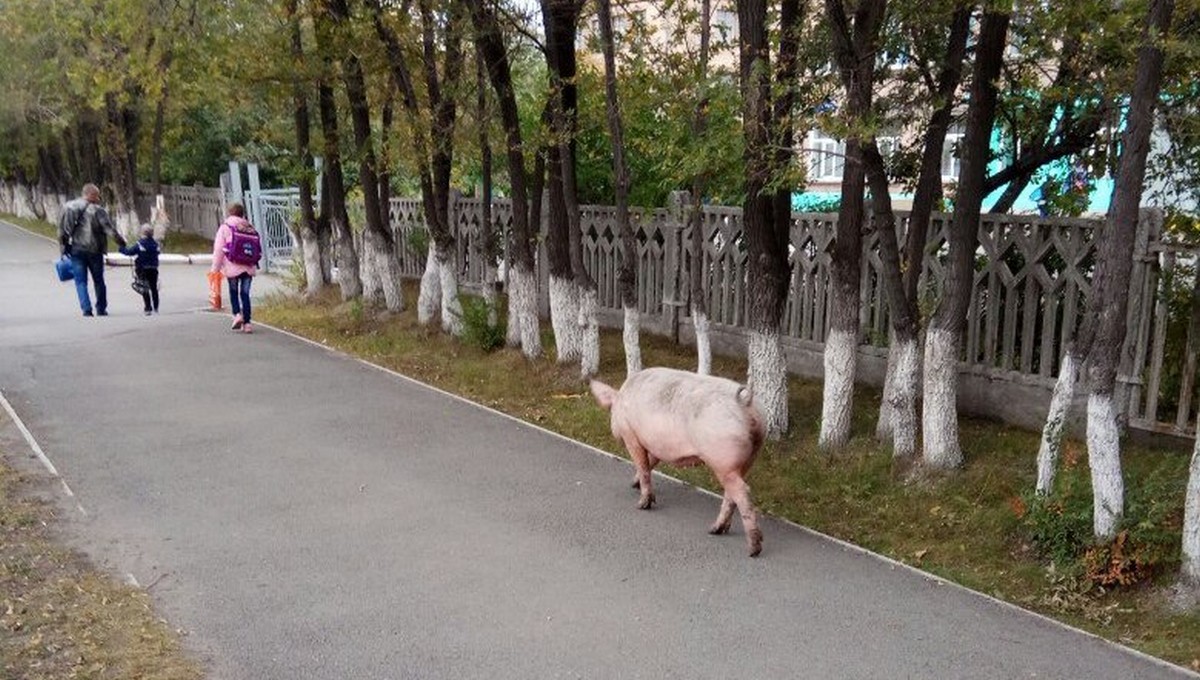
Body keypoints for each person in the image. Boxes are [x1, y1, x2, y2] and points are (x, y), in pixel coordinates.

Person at [58, 184, 126, 317]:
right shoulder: (98, 210)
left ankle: (86, 309)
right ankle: (101, 308)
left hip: (76, 249)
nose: (98, 198)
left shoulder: (69, 207)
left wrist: (63, 247)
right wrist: (122, 243)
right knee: (98, 280)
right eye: (97, 195)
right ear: (90, 194)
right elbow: (109, 230)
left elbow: (62, 230)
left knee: (80, 281)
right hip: (95, 250)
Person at [211, 203, 259, 333]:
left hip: (232, 266)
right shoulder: (250, 227)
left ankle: (237, 314)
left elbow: (219, 249)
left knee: (234, 292)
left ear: (230, 213)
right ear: (242, 213)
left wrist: (215, 269)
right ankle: (247, 323)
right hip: (248, 266)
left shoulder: (225, 227)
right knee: (245, 294)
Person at [119, 225, 161, 315]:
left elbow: (129, 252)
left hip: (143, 269)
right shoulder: (156, 244)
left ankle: (148, 308)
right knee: (154, 288)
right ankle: (156, 307)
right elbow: (158, 253)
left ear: (142, 233)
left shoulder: (140, 244)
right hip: (154, 269)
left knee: (144, 288)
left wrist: (121, 248)